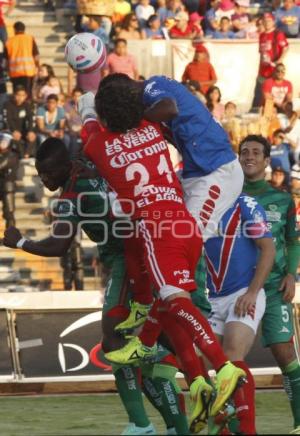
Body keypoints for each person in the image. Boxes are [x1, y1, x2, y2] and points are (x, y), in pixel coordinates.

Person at [77, 74, 246, 430]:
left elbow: (91, 132)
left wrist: (87, 103)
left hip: (161, 228)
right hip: (181, 220)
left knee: (174, 299)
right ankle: (198, 383)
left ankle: (223, 367)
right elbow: (141, 116)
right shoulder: (152, 131)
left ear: (107, 117)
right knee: (167, 298)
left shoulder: (99, 146)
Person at [2, 137, 188, 436]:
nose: (43, 178)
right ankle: (177, 426)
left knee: (115, 342)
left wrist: (20, 242)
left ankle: (141, 424)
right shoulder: (87, 168)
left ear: (65, 166)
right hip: (146, 250)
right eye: (39, 173)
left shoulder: (74, 192)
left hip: (128, 259)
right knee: (130, 349)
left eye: (48, 172)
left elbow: (59, 245)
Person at [239, 134, 300, 435]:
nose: (249, 156)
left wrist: (292, 274)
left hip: (275, 287)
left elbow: (292, 240)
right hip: (236, 290)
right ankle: (232, 424)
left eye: (255, 152)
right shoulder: (228, 196)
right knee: (228, 356)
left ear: (266, 161)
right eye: (244, 152)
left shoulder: (283, 199)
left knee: (285, 355)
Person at [205, 193, 275, 434]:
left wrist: (252, 292)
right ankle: (224, 426)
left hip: (244, 292)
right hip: (211, 299)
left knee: (232, 351)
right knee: (194, 359)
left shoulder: (245, 203)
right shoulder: (196, 202)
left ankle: (248, 429)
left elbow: (268, 248)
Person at [252, 13, 288, 109]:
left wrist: (279, 61)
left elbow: (285, 48)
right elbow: (261, 54)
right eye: (265, 21)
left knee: (271, 97)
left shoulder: (278, 34)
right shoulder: (262, 35)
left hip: (273, 72)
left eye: (269, 21)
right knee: (258, 96)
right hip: (262, 71)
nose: (266, 23)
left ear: (273, 22)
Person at [4, 21, 39, 96]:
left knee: (16, 93)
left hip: (14, 73)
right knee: (27, 93)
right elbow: (36, 57)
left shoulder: (9, 41)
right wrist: (37, 67)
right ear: (24, 29)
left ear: (14, 30)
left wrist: (7, 71)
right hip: (28, 72)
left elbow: (5, 61)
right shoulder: (30, 39)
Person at [2, 85, 37, 158]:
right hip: (10, 131)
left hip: (23, 130)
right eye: (18, 95)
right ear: (14, 95)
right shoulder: (7, 105)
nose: (20, 97)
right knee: (15, 139)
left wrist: (30, 131)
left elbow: (31, 118)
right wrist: (13, 131)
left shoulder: (27, 105)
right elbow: (6, 120)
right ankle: (21, 157)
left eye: (22, 95)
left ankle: (26, 156)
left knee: (32, 137)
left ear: (25, 96)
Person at [0, 132, 18, 228]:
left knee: (9, 213)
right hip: (1, 185)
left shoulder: (12, 155)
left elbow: (1, 165)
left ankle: (11, 236)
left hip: (8, 187)